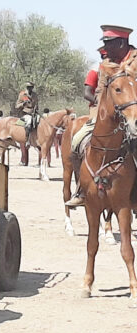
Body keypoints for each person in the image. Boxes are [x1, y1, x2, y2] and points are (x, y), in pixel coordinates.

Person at [66, 25, 135, 207]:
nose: (106, 47)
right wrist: (101, 105)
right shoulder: (105, 65)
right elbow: (98, 91)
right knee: (77, 141)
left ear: (121, 43)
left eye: (108, 43)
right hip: (103, 114)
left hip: (132, 114)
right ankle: (82, 188)